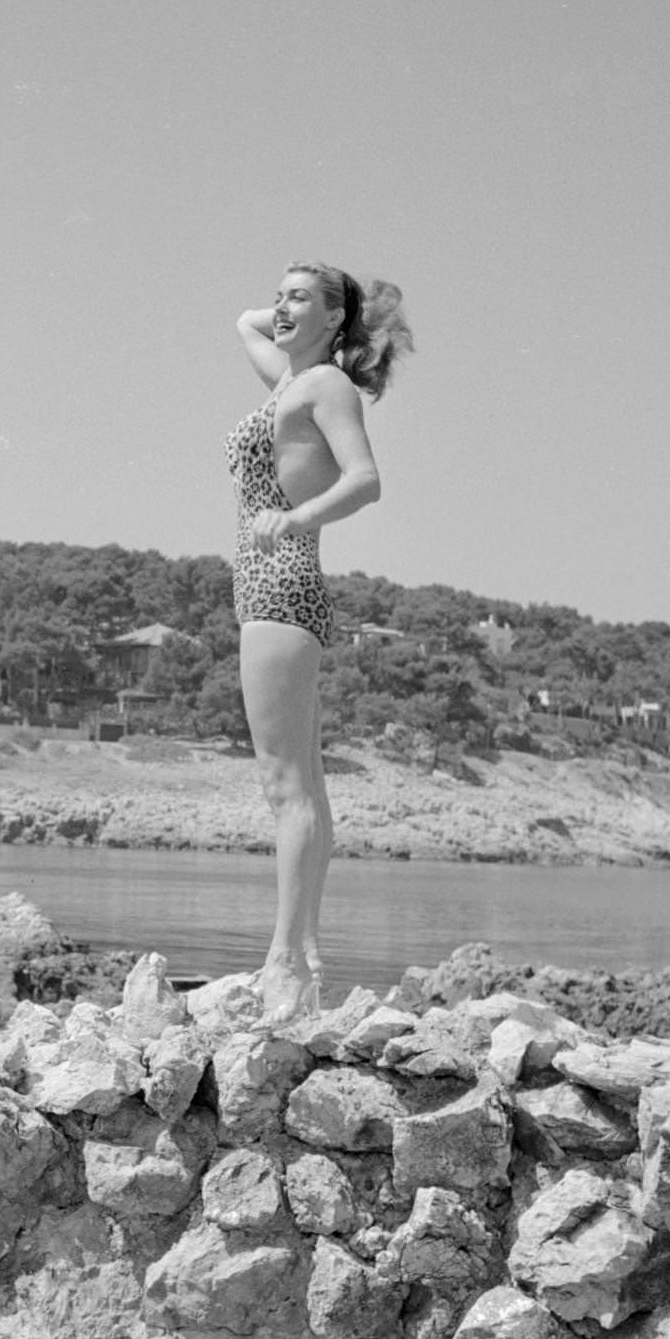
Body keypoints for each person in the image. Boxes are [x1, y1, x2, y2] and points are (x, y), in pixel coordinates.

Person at [228, 261, 413, 1025]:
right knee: (302, 785)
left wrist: (296, 520)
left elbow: (365, 479)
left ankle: (282, 961)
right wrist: (298, 311)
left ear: (336, 319)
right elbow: (243, 322)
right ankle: (302, 960)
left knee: (286, 789)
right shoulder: (291, 383)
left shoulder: (324, 387)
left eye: (297, 297)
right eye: (278, 293)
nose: (277, 307)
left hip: (279, 586)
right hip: (268, 590)